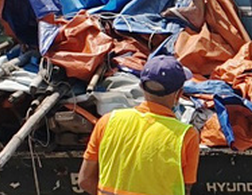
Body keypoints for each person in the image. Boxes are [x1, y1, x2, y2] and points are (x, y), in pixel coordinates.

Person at [78, 55, 199, 195]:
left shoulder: (107, 121)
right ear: (178, 95)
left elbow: (85, 180)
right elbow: (186, 188)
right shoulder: (186, 136)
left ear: (141, 87)